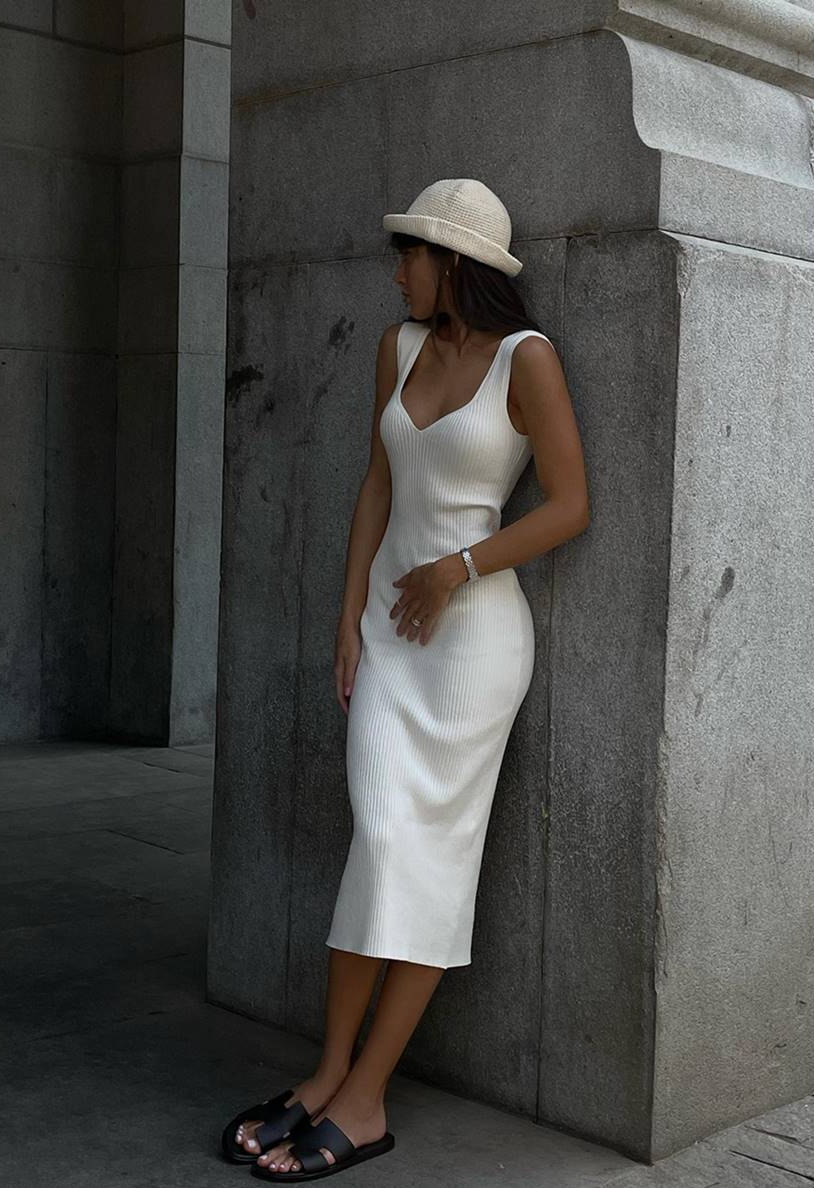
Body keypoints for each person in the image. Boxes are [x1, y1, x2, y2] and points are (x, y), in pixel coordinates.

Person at [221, 178, 590, 1181]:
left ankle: (367, 1099)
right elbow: (377, 484)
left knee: (427, 859)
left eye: (410, 256)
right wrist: (346, 617)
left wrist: (459, 565)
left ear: (452, 263)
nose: (397, 273)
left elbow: (568, 505)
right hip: (388, 637)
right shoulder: (396, 348)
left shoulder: (527, 360)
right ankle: (327, 1073)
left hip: (472, 649)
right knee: (378, 842)